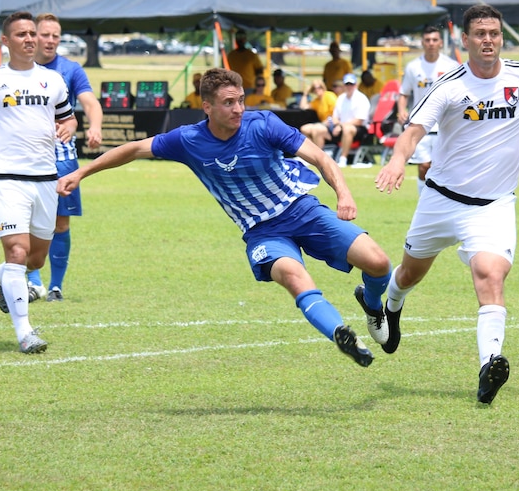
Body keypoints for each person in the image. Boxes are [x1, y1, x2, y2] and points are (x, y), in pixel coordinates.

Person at [57, 67, 393, 367]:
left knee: (378, 263)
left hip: (302, 210)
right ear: (207, 107)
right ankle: (340, 333)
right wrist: (83, 172)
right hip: (262, 232)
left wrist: (344, 194)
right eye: (229, 103)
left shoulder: (263, 125)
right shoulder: (188, 140)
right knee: (293, 277)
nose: (238, 109)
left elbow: (319, 156)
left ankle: (372, 303)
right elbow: (132, 149)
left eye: (241, 101)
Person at [375, 3, 519, 405]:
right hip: (440, 201)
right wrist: (397, 162)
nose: (488, 40)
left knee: (490, 275)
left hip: (493, 206)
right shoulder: (449, 86)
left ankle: (489, 365)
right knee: (409, 274)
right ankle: (392, 305)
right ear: (465, 40)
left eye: (494, 33)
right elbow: (414, 131)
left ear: (501, 37)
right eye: (480, 34)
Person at [0, 10, 79, 354]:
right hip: (6, 177)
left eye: (33, 34)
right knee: (17, 251)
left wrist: (69, 127)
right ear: (6, 41)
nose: (30, 39)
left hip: (45, 179)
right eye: (21, 34)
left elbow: (67, 119)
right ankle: (25, 333)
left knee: (35, 260)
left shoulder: (53, 81)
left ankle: (0, 275)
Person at [398, 25, 460, 192]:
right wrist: (401, 110)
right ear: (422, 43)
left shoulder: (451, 66)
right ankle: (423, 202)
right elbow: (404, 92)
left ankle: (446, 203)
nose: (431, 43)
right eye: (427, 40)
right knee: (424, 166)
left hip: (445, 125)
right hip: (421, 124)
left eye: (434, 40)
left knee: (445, 168)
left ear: (440, 42)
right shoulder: (413, 67)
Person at [331, 72, 372, 167]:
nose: (349, 86)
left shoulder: (361, 98)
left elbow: (359, 120)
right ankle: (317, 158)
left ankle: (343, 159)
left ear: (356, 85)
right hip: (341, 127)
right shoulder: (341, 98)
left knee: (347, 129)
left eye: (351, 84)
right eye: (347, 84)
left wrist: (341, 125)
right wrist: (337, 125)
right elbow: (335, 116)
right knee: (314, 129)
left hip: (360, 129)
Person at [298, 79, 339, 149]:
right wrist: (305, 94)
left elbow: (338, 111)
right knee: (304, 129)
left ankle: (319, 154)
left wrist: (329, 121)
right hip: (324, 124)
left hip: (333, 125)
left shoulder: (329, 95)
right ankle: (311, 151)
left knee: (317, 129)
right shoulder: (316, 101)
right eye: (314, 88)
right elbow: (303, 106)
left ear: (323, 87)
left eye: (319, 87)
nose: (317, 90)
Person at [226, 29, 264, 94]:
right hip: (235, 87)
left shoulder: (251, 55)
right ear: (236, 40)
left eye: (242, 38)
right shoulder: (231, 55)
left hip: (249, 87)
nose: (240, 41)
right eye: (238, 38)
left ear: (245, 39)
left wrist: (258, 85)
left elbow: (259, 70)